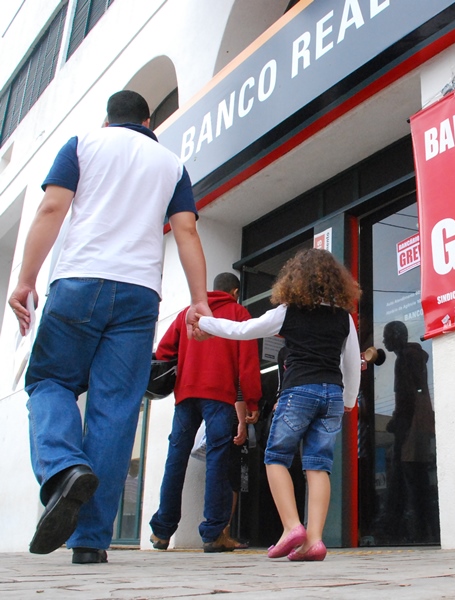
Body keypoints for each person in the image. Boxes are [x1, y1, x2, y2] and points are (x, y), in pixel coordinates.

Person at [7, 90, 210, 564]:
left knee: (50, 381)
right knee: (115, 408)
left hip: (78, 280)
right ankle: (91, 541)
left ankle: (63, 468)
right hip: (140, 294)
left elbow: (52, 209)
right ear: (147, 120)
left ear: (109, 117)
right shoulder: (171, 164)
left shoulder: (82, 144)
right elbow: (186, 230)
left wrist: (25, 280)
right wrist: (199, 301)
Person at [196, 248, 361, 561]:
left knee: (276, 457)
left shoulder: (289, 310)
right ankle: (314, 540)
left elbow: (242, 331)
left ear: (295, 278)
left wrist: (206, 323)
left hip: (299, 390)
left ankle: (291, 527)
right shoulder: (344, 316)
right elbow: (351, 361)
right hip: (332, 394)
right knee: (318, 465)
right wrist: (350, 399)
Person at [149, 272, 262, 552]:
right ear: (235, 291)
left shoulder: (190, 313)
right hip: (219, 396)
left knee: (175, 458)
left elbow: (163, 352)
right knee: (218, 460)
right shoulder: (238, 312)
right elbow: (247, 361)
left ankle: (162, 532)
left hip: (186, 394)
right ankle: (213, 534)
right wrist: (252, 401)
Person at [380, 321, 438, 543]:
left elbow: (406, 397)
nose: (384, 341)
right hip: (418, 422)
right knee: (418, 478)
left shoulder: (405, 359)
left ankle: (413, 530)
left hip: (411, 425)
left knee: (410, 478)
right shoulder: (415, 358)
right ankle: (422, 528)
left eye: (387, 336)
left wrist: (397, 423)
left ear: (396, 337)